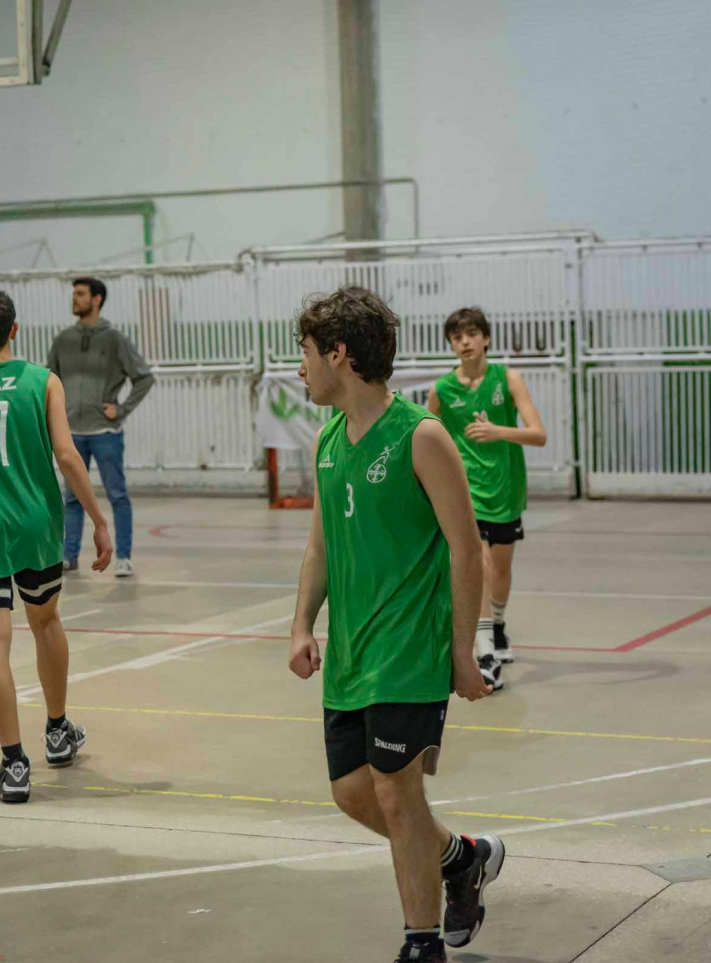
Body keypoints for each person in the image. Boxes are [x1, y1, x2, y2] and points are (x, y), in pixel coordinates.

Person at [288, 287, 505, 963]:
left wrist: (462, 651)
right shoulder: (327, 440)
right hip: (350, 649)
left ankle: (421, 942)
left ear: (337, 353)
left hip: (410, 646)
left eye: (305, 352)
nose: (299, 367)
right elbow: (320, 545)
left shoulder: (422, 435)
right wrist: (301, 625)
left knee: (396, 787)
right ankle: (460, 858)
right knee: (353, 792)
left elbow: (465, 547)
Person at [0, 289, 113, 803]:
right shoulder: (43, 381)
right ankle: (56, 731)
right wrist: (98, 520)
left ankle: (13, 765)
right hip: (36, 525)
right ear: (15, 329)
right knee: (46, 622)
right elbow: (68, 457)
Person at [427, 307, 546, 685]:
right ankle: (486, 653)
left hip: (505, 490)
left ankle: (497, 624)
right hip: (465, 492)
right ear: (451, 345)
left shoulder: (508, 379)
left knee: (501, 570)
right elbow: (428, 438)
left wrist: (498, 432)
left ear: (486, 339)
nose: (465, 342)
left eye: (472, 334)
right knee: (477, 565)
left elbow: (538, 434)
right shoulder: (442, 390)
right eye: (457, 337)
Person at [46, 276, 154, 579]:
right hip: (71, 433)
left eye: (80, 294)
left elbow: (144, 377)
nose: (74, 298)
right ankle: (69, 556)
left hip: (106, 434)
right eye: (74, 293)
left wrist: (121, 409)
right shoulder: (63, 340)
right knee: (71, 497)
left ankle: (124, 557)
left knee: (117, 494)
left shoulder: (115, 339)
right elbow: (48, 379)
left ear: (96, 299)